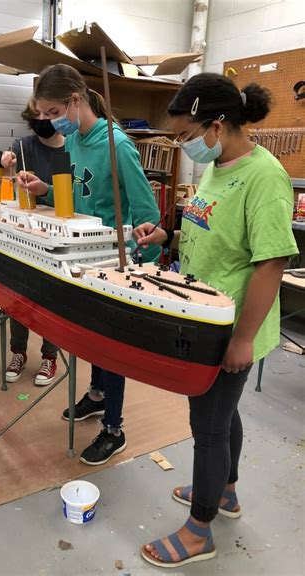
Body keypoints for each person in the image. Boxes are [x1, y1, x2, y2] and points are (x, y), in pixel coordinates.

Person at [132, 73, 298, 568]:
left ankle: (199, 531)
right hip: (203, 317)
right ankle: (225, 492)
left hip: (230, 327)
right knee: (224, 415)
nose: (185, 147)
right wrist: (167, 238)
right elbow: (207, 228)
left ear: (217, 125)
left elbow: (271, 263)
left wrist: (242, 339)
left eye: (186, 136)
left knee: (207, 426)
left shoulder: (264, 178)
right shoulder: (218, 165)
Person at [16, 64, 161, 466]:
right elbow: (82, 203)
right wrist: (45, 190)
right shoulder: (75, 141)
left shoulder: (118, 145)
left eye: (51, 112)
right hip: (85, 258)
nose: (48, 121)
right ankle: (97, 396)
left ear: (75, 101)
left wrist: (138, 269)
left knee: (112, 347)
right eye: (42, 115)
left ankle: (114, 429)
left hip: (116, 261)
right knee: (91, 337)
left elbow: (149, 213)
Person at [1, 99, 65, 386]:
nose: (41, 120)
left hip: (61, 231)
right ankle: (18, 352)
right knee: (20, 293)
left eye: (47, 114)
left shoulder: (71, 147)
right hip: (26, 228)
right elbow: (7, 174)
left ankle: (50, 356)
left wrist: (47, 190)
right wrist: (7, 164)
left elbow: (75, 194)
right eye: (35, 116)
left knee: (51, 296)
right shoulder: (24, 146)